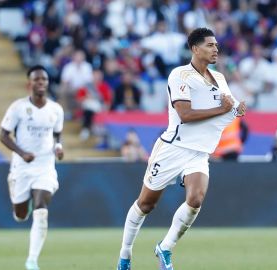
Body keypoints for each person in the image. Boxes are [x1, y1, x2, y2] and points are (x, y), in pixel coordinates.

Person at [116, 28, 246, 270]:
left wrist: (239, 109)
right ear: (195, 49)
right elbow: (185, 114)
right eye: (210, 45)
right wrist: (223, 109)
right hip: (173, 148)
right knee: (146, 204)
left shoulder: (219, 79)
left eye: (216, 44)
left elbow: (234, 108)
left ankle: (165, 248)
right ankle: (125, 255)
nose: (216, 49)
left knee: (195, 200)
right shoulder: (180, 75)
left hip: (199, 153)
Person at [0, 65, 64, 270]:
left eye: (44, 79)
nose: (41, 83)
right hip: (22, 167)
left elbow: (57, 134)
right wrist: (22, 153)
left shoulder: (56, 109)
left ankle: (32, 260)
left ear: (47, 83)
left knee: (41, 210)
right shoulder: (18, 108)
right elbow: (3, 135)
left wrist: (59, 148)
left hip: (45, 165)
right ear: (30, 84)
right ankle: (20, 202)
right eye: (37, 80)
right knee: (20, 215)